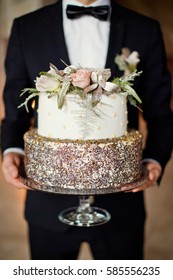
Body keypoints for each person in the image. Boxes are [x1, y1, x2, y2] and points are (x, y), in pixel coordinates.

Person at [1, 0, 173, 260]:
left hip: (122, 203)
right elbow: (15, 108)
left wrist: (154, 158)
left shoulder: (144, 29)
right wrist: (11, 149)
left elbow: (160, 112)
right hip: (47, 202)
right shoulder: (27, 27)